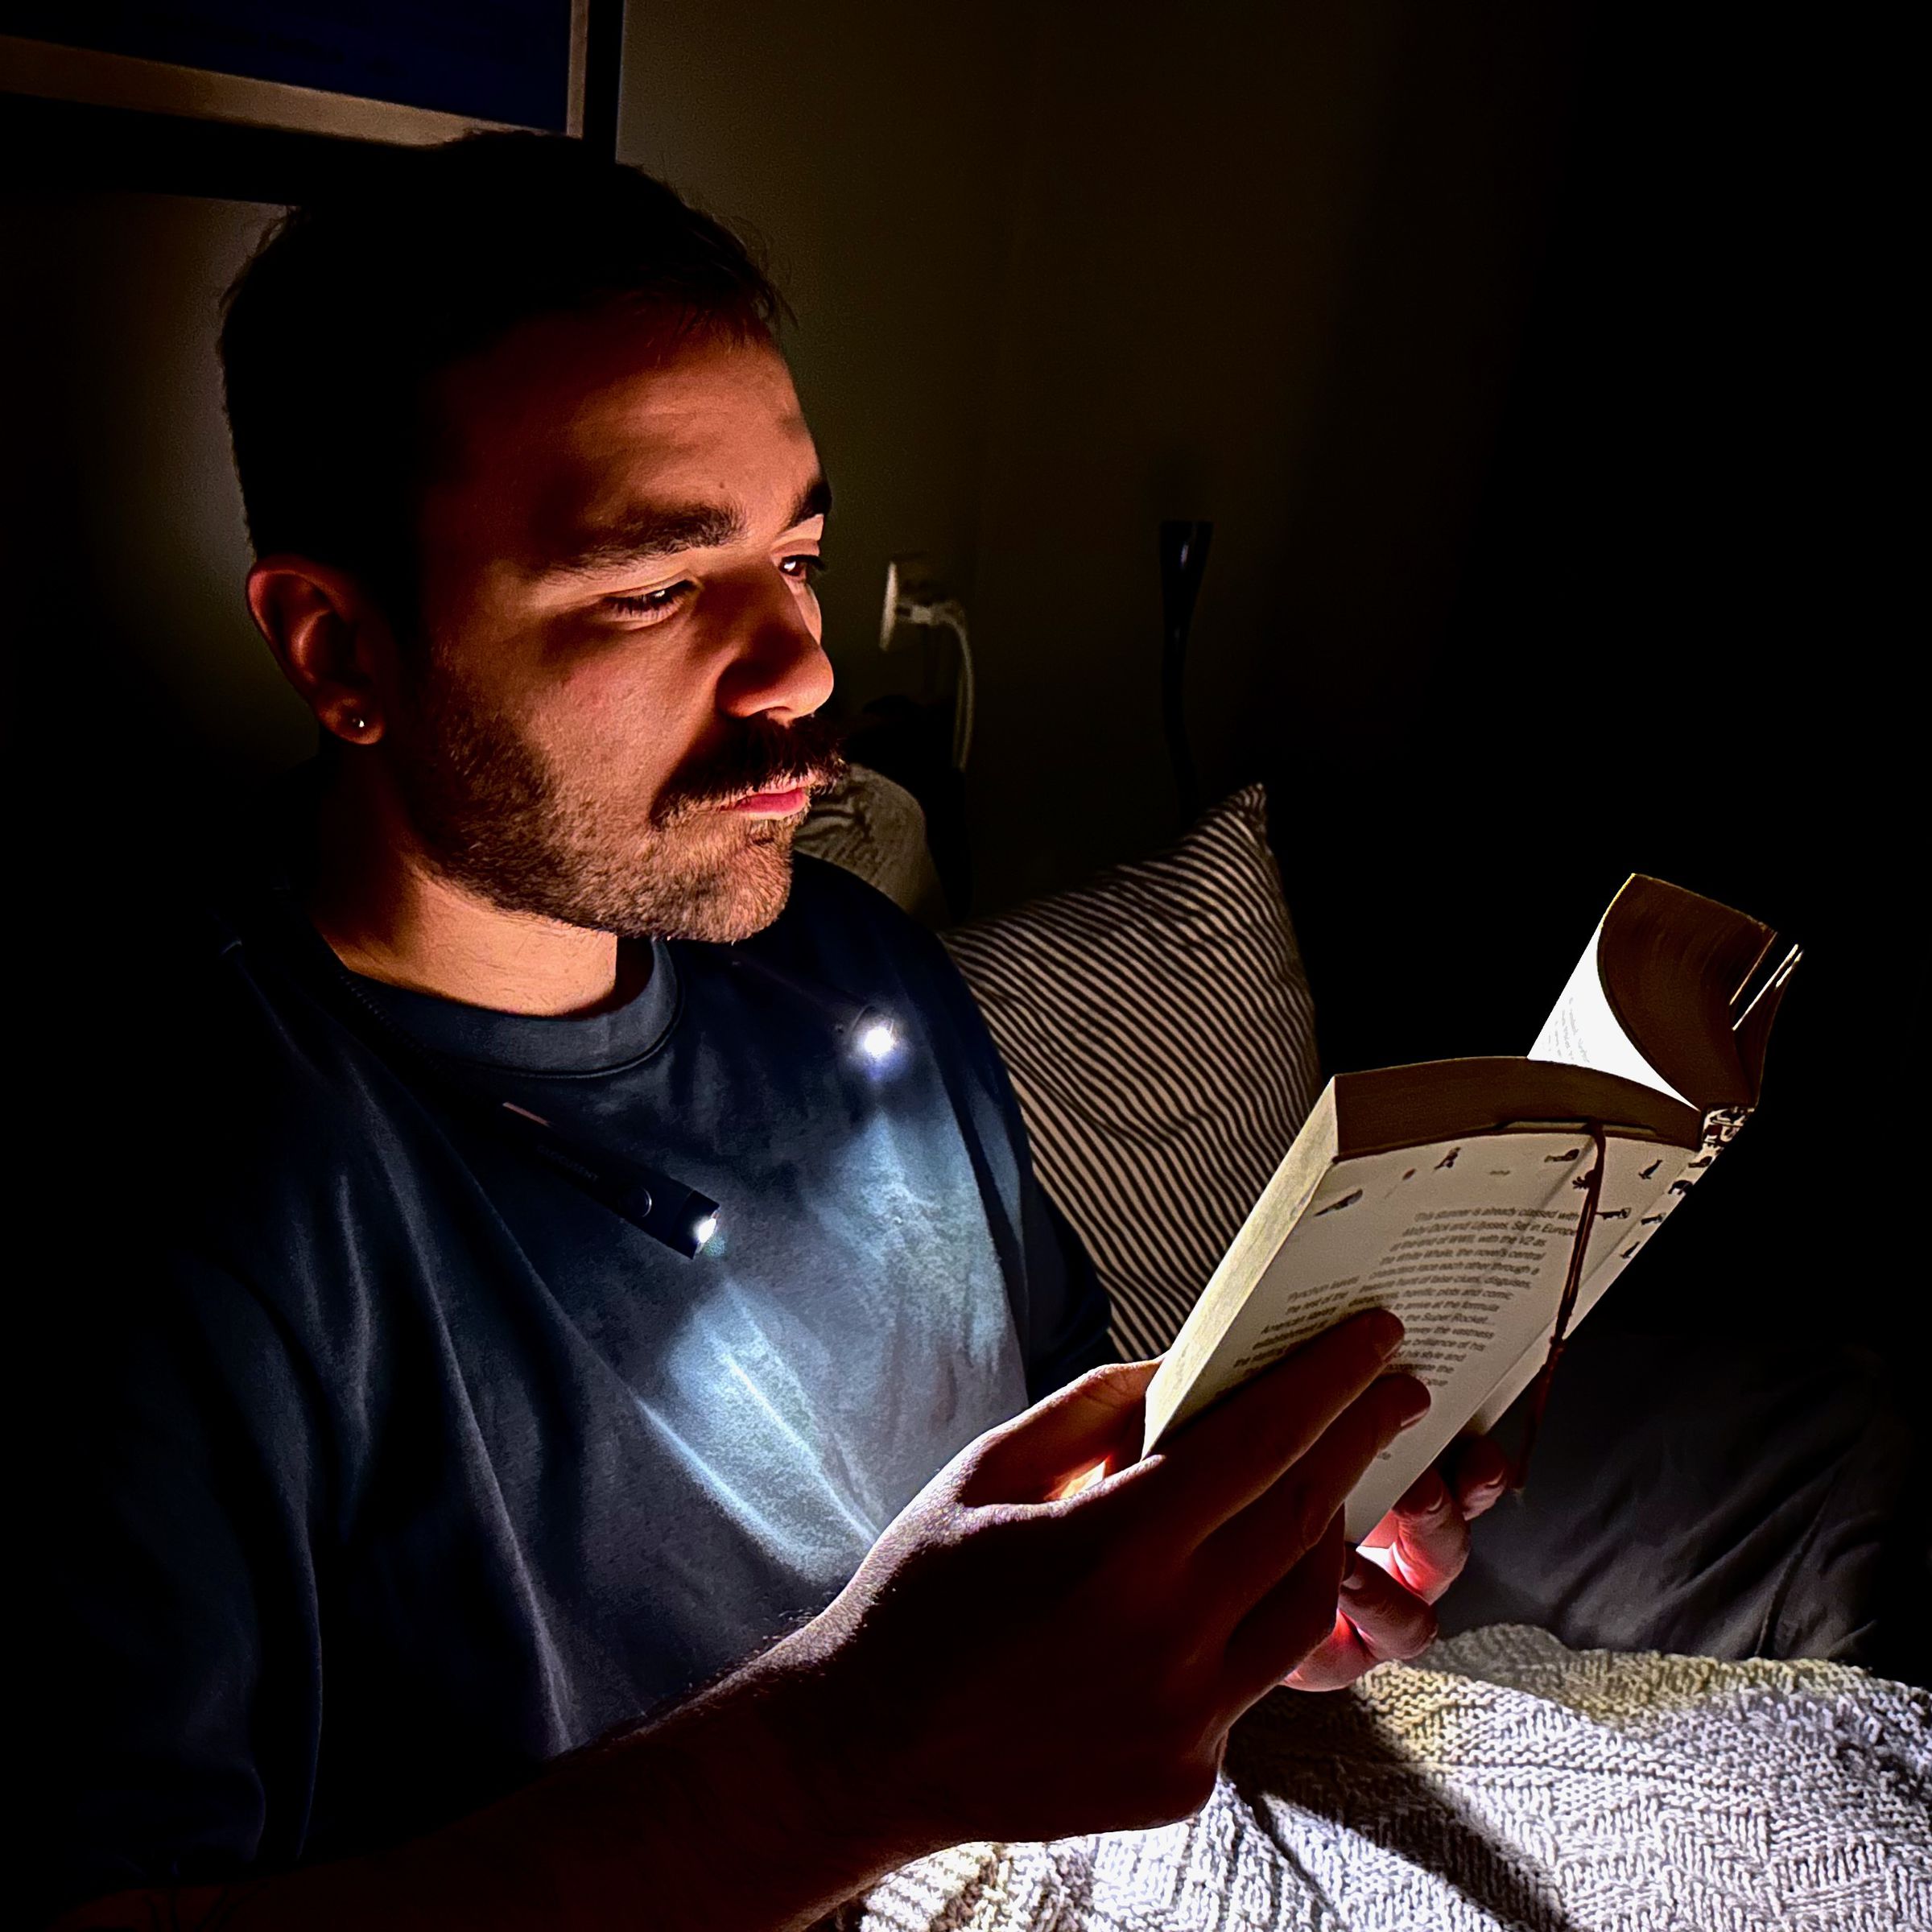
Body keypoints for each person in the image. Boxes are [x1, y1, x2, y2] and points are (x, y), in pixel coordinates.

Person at [31, 134, 1508, 1931]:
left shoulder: (855, 973)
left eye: (793, 554)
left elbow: (1067, 1489)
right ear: (344, 653)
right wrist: (856, 1760)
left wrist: (1261, 1592)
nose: (801, 669)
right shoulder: (162, 1190)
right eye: (653, 587)